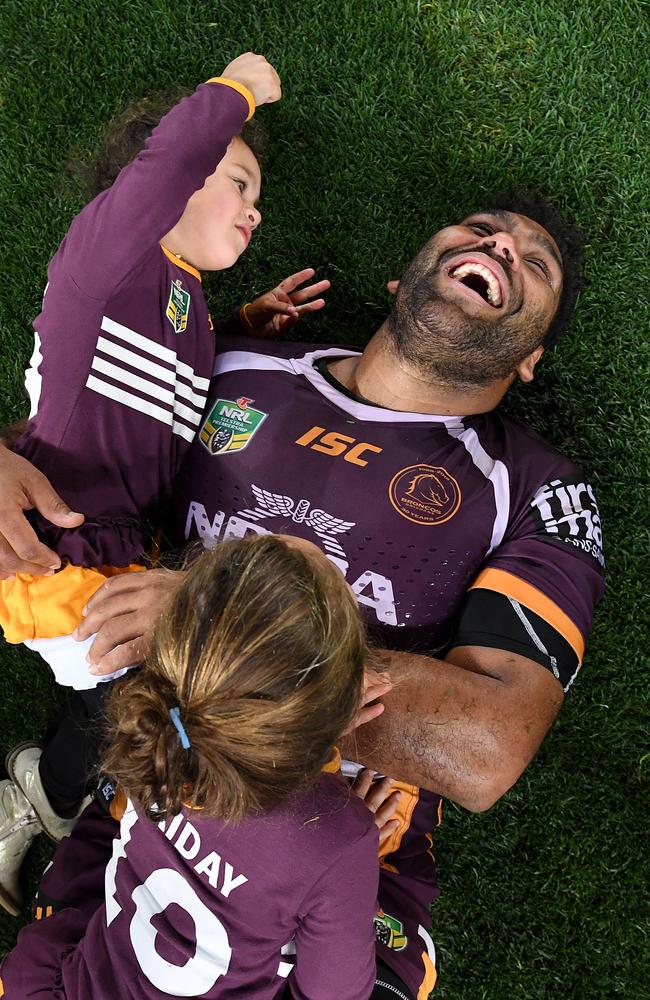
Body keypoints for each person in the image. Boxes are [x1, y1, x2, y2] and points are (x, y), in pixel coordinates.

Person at [0, 195, 605, 997]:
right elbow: (76, 463)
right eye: (481, 230)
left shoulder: (537, 490)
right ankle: (54, 786)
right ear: (401, 281)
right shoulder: (231, 363)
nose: (501, 248)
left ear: (529, 358)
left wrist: (208, 621)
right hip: (147, 766)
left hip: (341, 837)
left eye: (537, 265)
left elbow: (486, 750)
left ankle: (53, 785)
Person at [0, 50, 330, 902]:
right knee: (160, 711)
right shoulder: (106, 254)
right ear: (170, 174)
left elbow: (175, 371)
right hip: (53, 553)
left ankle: (53, 792)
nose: (254, 209)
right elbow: (167, 164)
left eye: (257, 195)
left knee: (136, 704)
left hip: (112, 554)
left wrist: (246, 323)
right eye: (236, 180)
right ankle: (66, 817)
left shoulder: (184, 301)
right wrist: (237, 92)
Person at [0, 533, 405, 999]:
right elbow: (333, 994)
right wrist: (346, 847)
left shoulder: (154, 728)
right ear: (338, 716)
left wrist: (311, 721)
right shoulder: (337, 834)